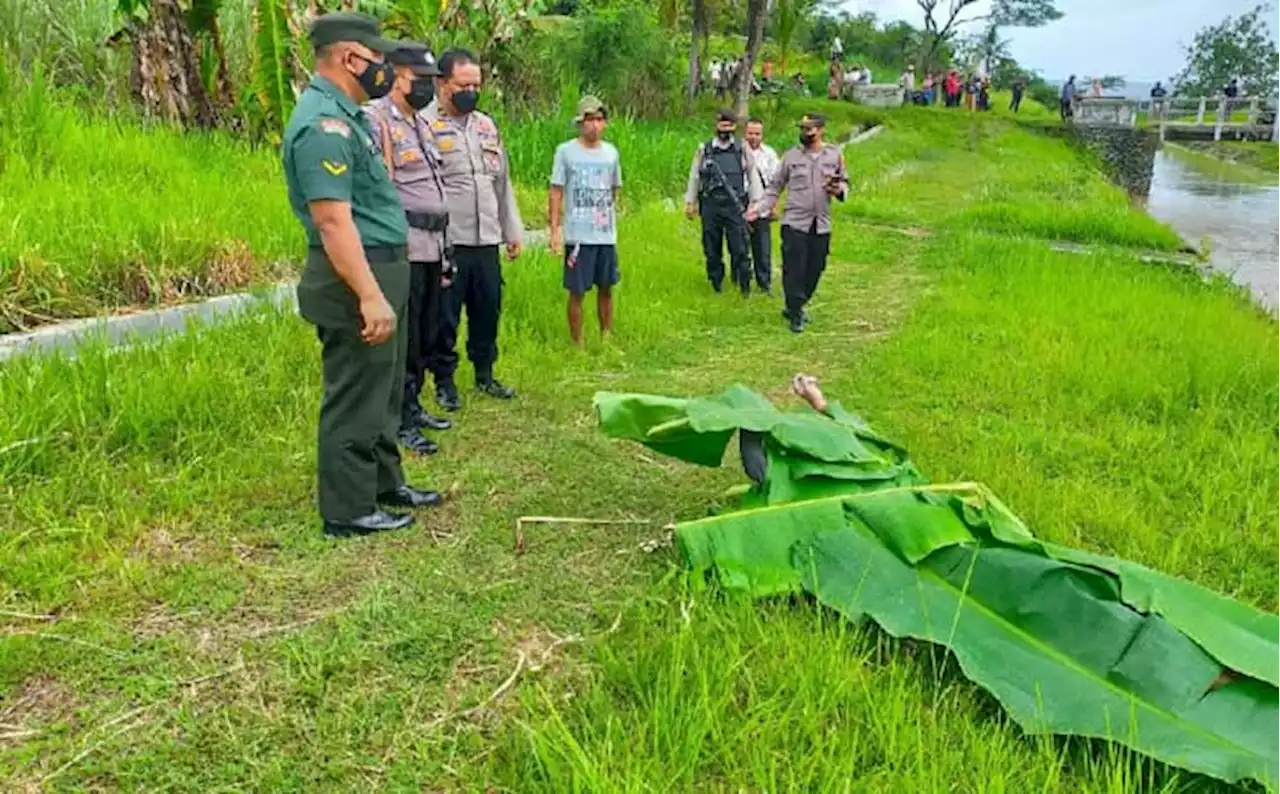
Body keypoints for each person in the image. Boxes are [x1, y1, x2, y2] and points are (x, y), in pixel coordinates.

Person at [281, 12, 443, 538]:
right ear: (351, 58)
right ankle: (348, 508)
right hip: (355, 274)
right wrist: (371, 296)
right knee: (355, 389)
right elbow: (332, 221)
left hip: (381, 267)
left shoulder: (348, 116)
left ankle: (383, 482)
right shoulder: (321, 125)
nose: (385, 72)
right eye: (379, 62)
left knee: (383, 385)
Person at [364, 41, 454, 458]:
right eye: (420, 80)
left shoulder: (420, 122)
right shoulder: (377, 120)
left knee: (425, 331)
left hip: (433, 245)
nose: (427, 89)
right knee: (404, 339)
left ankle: (413, 406)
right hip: (405, 246)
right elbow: (383, 189)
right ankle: (398, 417)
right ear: (397, 76)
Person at [422, 48, 523, 410]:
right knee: (445, 318)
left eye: (476, 85)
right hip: (449, 241)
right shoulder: (424, 125)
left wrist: (512, 230)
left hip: (486, 239)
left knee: (487, 309)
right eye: (463, 84)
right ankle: (444, 382)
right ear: (442, 83)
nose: (471, 91)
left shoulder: (486, 125)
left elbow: (502, 182)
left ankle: (485, 373)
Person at [751, 113, 848, 334]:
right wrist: (758, 209)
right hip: (794, 223)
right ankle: (795, 312)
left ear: (821, 129)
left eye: (809, 129)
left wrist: (839, 190)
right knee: (793, 269)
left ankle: (796, 304)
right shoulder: (791, 157)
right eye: (802, 129)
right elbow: (775, 187)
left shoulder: (834, 155)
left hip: (821, 223)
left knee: (816, 267)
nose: (805, 133)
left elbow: (844, 182)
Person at [548, 96, 623, 348]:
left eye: (599, 120)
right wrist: (555, 230)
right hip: (578, 234)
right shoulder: (566, 152)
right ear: (580, 123)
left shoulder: (611, 153)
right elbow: (556, 190)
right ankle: (577, 342)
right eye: (589, 120)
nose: (594, 125)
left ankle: (606, 337)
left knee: (606, 287)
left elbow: (615, 189)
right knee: (577, 291)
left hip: (605, 234)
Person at [684, 110, 764, 296]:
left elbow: (752, 176)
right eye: (722, 125)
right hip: (711, 206)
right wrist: (690, 202)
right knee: (712, 249)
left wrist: (755, 203)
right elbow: (695, 176)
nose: (725, 129)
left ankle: (744, 286)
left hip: (735, 206)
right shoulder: (704, 149)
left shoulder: (742, 149)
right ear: (716, 125)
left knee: (740, 249)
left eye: (729, 126)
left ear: (735, 127)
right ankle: (716, 285)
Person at [743, 117, 780, 295]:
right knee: (740, 246)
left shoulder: (770, 154)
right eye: (750, 133)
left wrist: (773, 206)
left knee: (762, 246)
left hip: (762, 205)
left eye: (757, 134)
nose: (753, 137)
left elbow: (776, 183)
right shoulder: (736, 151)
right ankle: (742, 281)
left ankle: (764, 283)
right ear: (744, 133)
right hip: (740, 204)